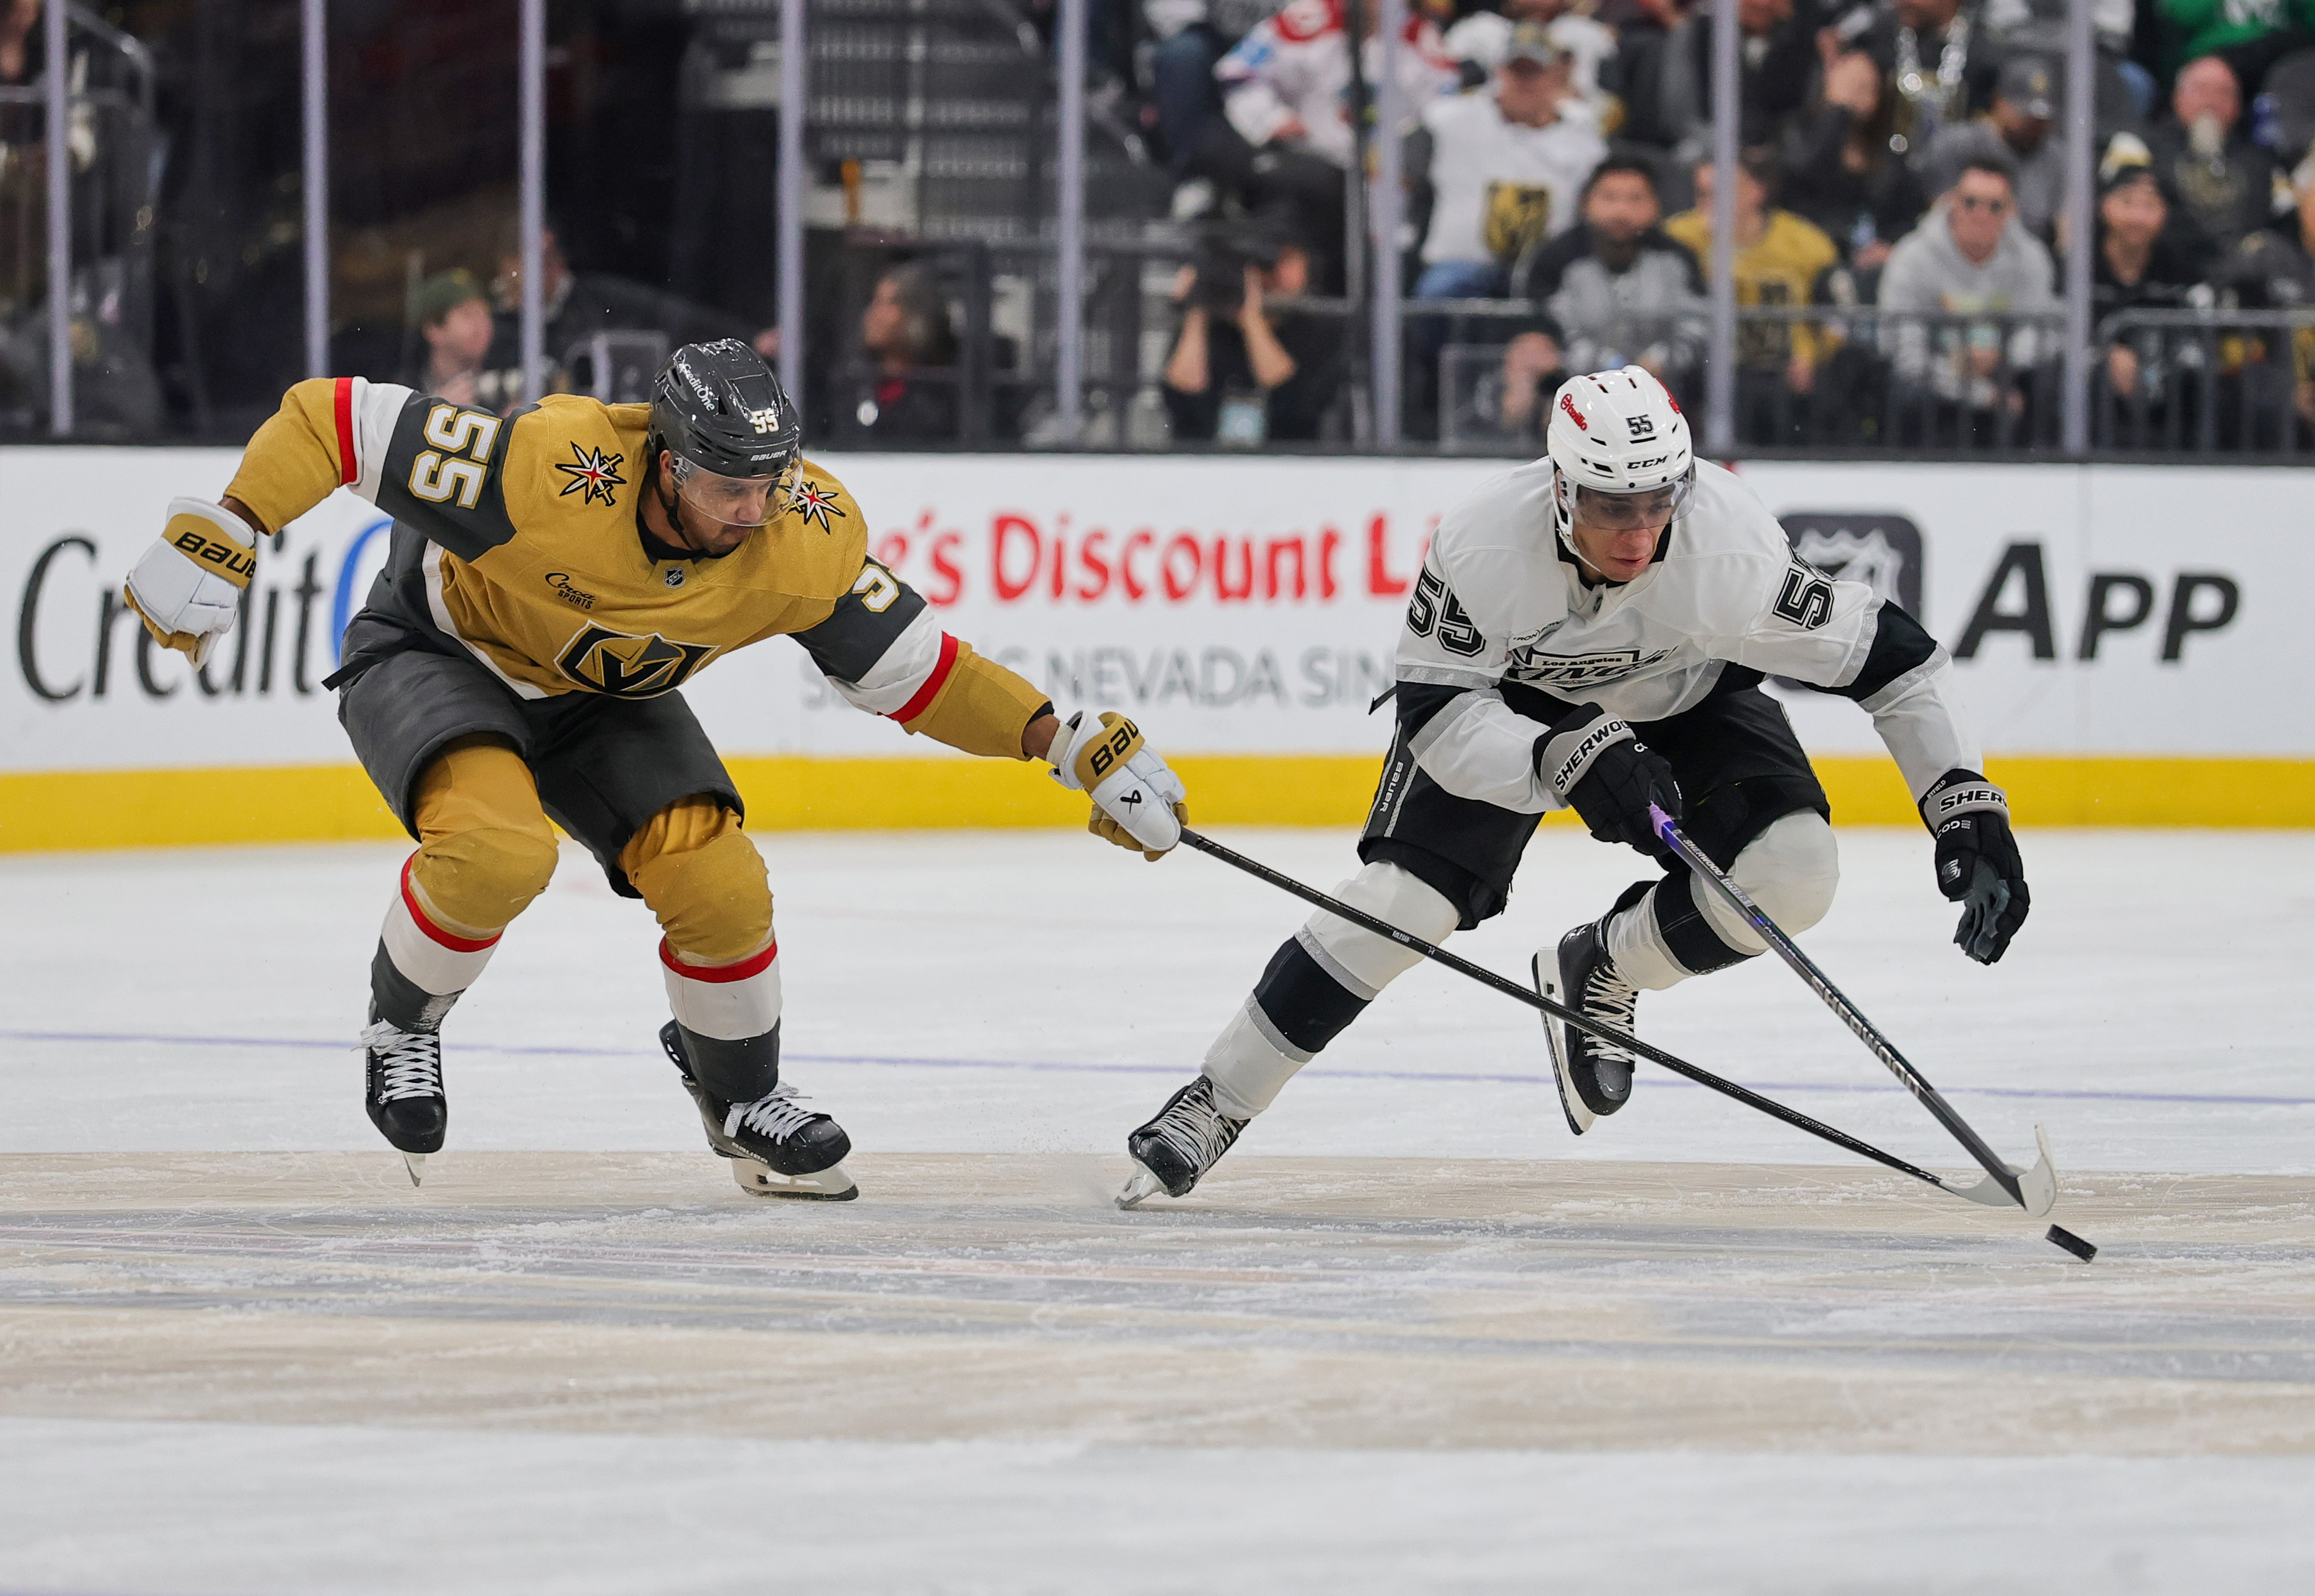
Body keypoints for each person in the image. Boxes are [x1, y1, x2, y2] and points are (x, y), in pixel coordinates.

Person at [118, 341, 1190, 1198]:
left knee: (722, 883)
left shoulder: (800, 530)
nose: (752, 511)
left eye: (768, 482)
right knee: (498, 855)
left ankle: (743, 1104)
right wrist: (231, 521)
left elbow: (919, 669)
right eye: (728, 484)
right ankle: (403, 1023)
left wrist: (1063, 741)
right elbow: (330, 417)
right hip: (443, 653)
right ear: (665, 460)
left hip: (602, 698)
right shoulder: (547, 471)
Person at [1113, 366, 2028, 1206]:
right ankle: (1217, 1100)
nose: (1637, 533)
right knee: (1403, 904)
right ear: (1558, 487)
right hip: (1510, 710)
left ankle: (1604, 967)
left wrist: (1962, 803)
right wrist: (1556, 757)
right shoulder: (1480, 543)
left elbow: (1897, 661)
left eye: (1658, 503)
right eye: (1608, 506)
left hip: (1689, 688)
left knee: (1796, 874)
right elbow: (1435, 715)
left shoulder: (1732, 553)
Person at [1210, 0, 1458, 276]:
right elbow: (1236, 71)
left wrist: (1409, 150)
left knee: (1389, 262)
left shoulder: (1420, 36)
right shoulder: (1304, 21)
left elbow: (1448, 106)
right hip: (1312, 164)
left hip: (1384, 179)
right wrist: (1270, 118)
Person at [1409, 24, 1609, 299]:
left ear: (1555, 76)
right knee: (1438, 290)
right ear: (1500, 72)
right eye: (1516, 70)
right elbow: (1391, 159)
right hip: (1463, 263)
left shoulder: (1584, 141)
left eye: (1534, 71)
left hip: (1548, 270)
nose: (1524, 82)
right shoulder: (1451, 119)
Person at [484, 225, 779, 401]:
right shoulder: (500, 322)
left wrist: (748, 338)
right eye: (526, 263)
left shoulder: (602, 298)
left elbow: (679, 317)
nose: (537, 272)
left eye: (547, 259)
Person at [1663, 148, 1842, 436]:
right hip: (1707, 367)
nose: (1709, 206)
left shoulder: (1807, 244)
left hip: (1784, 372)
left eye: (1721, 194)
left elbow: (1838, 317)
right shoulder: (1678, 238)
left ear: (1756, 192)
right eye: (1702, 195)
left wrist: (1812, 356)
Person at [1876, 156, 2059, 434]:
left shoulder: (2031, 258)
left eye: (1995, 206)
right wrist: (1980, 395)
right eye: (1971, 202)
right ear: (1951, 202)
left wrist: (2000, 359)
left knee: (2049, 383)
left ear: (2011, 211)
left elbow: (2041, 332)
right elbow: (1904, 352)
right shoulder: (1912, 257)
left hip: (2007, 377)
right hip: (1936, 386)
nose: (1981, 215)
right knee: (1906, 392)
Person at [1524, 157, 1710, 401]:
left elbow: (1698, 323)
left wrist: (1661, 359)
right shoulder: (1556, 258)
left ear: (1656, 206)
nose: (1621, 211)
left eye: (1635, 199)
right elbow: (1550, 327)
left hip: (1666, 390)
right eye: (1609, 198)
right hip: (1578, 389)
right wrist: (1610, 367)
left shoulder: (1677, 259)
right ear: (1585, 204)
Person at [2085, 137, 2214, 435]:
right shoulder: (2079, 267)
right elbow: (2056, 338)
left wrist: (2161, 369)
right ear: (2104, 206)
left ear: (2165, 214)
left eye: (2150, 205)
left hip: (2164, 405)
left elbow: (2199, 342)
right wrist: (2104, 357)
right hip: (2097, 413)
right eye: (2127, 203)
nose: (2138, 217)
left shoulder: (2182, 272)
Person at [1163, 235, 1343, 442]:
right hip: (1205, 457)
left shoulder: (1319, 329)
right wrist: (1198, 306)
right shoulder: (1213, 330)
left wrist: (1251, 319)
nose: (1274, 273)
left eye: (1288, 260)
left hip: (1289, 459)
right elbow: (1183, 391)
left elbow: (1293, 399)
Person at [1780, 46, 1928, 269]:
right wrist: (1838, 111)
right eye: (1848, 86)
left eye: (1863, 87)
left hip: (1868, 265)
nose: (1853, 97)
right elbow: (1803, 174)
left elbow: (1907, 218)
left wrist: (1892, 247)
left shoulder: (1891, 155)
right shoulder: (1799, 134)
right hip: (1807, 257)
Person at [2147, 56, 2282, 258]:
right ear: (2177, 97)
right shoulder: (2148, 149)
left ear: (2237, 107)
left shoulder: (2257, 161)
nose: (2211, 102)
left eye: (2223, 93)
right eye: (2202, 90)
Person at [1922, 55, 2066, 240]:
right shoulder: (1957, 145)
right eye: (2025, 114)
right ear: (1999, 102)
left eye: (2040, 118)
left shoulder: (2058, 158)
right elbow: (1936, 215)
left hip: (2027, 258)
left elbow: (2066, 232)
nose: (2033, 124)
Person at [1443, 0, 1621, 123]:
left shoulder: (1587, 34)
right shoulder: (1479, 29)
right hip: (1490, 124)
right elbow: (1448, 88)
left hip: (1567, 126)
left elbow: (1610, 104)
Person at [853, 263, 961, 442]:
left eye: (885, 304)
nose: (873, 314)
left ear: (915, 315)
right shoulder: (856, 380)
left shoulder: (940, 391)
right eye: (874, 302)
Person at [402, 271, 496, 406]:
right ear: (434, 330)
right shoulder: (406, 394)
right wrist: (432, 412)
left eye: (485, 313)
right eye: (468, 314)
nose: (482, 324)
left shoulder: (505, 391)